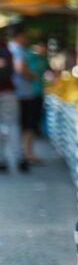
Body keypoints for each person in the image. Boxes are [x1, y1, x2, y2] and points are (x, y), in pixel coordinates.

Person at [9, 26, 42, 167]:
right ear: (20, 36)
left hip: (13, 92)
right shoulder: (18, 50)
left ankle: (21, 154)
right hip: (23, 93)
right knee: (27, 125)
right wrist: (33, 76)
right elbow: (20, 68)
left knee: (15, 124)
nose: (27, 39)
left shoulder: (9, 48)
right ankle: (27, 154)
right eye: (25, 36)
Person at [0, 30, 25, 172]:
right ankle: (19, 157)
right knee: (13, 125)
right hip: (8, 92)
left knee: (10, 125)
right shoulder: (6, 50)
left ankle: (2, 159)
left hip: (7, 92)